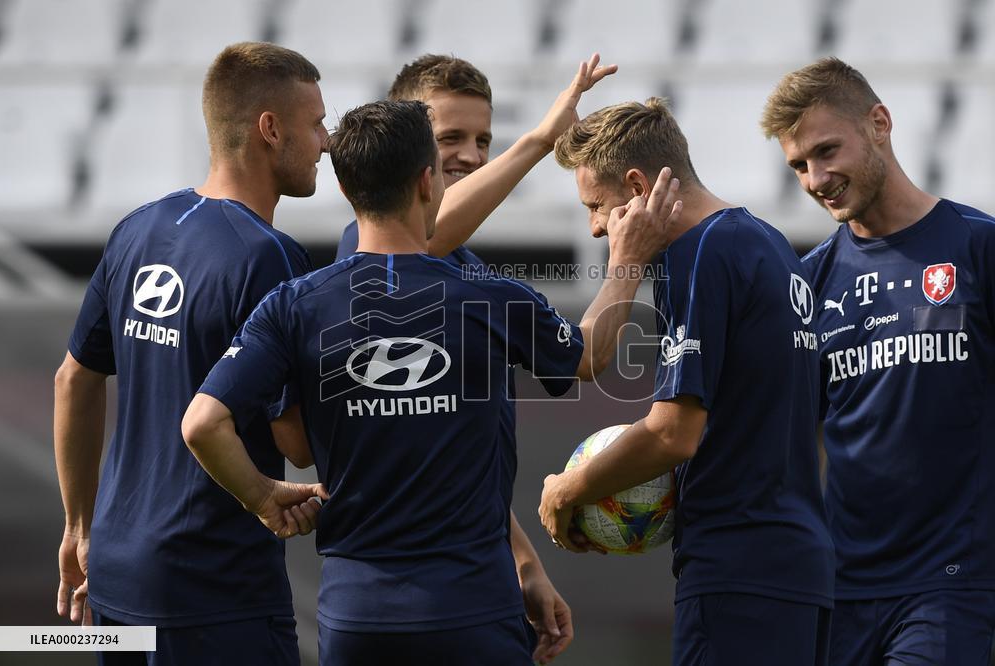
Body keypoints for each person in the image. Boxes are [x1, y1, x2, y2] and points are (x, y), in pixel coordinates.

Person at [181, 99, 683, 666]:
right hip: (472, 612)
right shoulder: (488, 296)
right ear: (428, 181)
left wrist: (262, 497)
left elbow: (203, 423)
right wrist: (627, 261)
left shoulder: (292, 306)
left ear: (346, 191)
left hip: (355, 618)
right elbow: (589, 356)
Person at [334, 52, 615, 663]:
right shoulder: (363, 252)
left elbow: (452, 466)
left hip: (463, 594)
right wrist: (542, 139)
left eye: (483, 139)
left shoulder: (472, 277)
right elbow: (425, 238)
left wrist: (525, 565)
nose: (471, 154)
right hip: (410, 609)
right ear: (406, 149)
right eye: (450, 138)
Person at [54, 42, 329, 665]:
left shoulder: (138, 226)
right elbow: (296, 443)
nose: (327, 142)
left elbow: (74, 380)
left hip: (117, 568)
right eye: (315, 124)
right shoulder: (269, 255)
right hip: (210, 585)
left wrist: (78, 528)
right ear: (269, 129)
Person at [539, 97, 835, 666]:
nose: (596, 227)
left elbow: (673, 434)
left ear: (635, 185)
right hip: (801, 568)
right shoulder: (769, 243)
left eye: (596, 206)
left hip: (738, 572)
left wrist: (566, 490)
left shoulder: (695, 254)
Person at [761, 57, 995, 665]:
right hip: (839, 590)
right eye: (799, 166)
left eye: (826, 151)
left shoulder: (978, 246)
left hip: (952, 582)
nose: (815, 179)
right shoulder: (807, 283)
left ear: (880, 123)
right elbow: (788, 440)